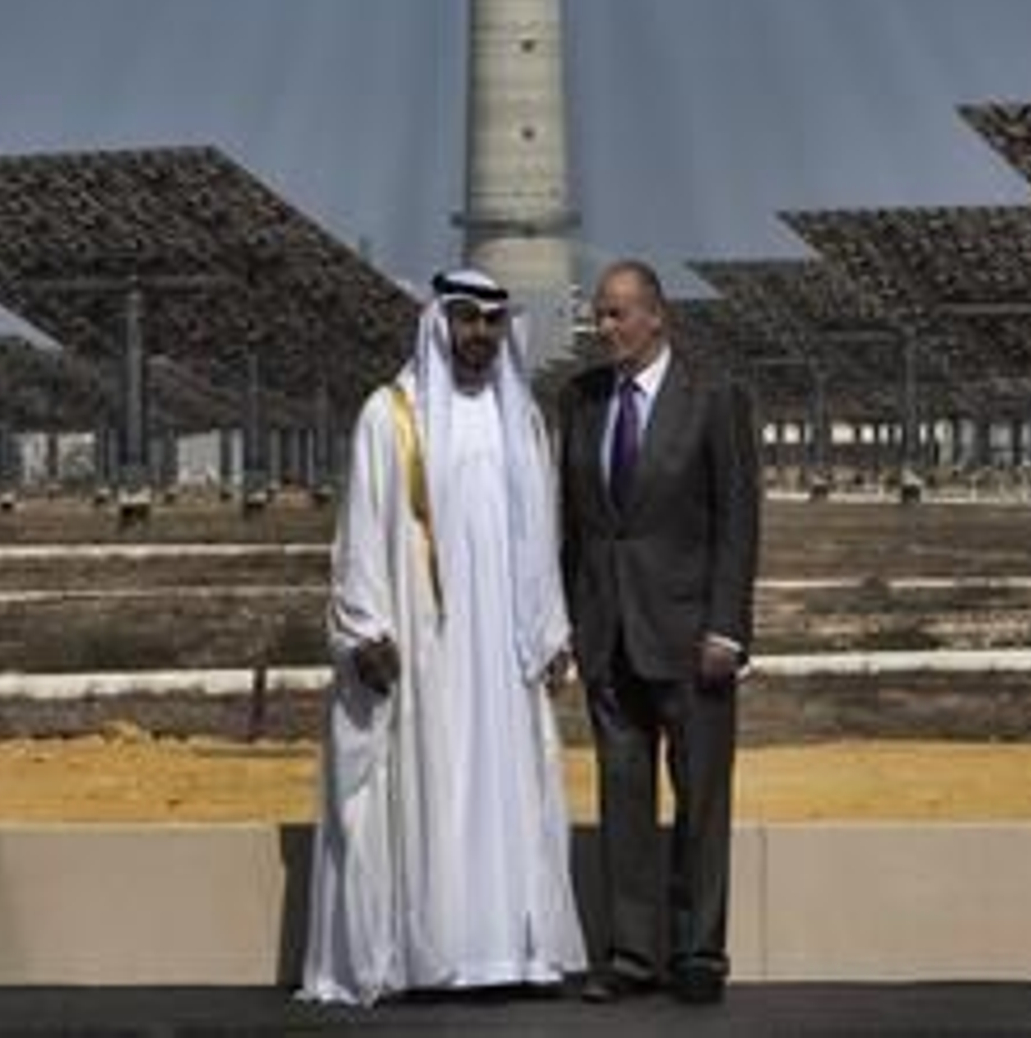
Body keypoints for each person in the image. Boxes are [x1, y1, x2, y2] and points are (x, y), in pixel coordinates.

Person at [300, 267, 587, 1004]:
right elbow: (361, 530)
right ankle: (432, 953)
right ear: (439, 324)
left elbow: (539, 538)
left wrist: (552, 633)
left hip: (503, 654)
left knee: (503, 781)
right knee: (430, 778)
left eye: (493, 323)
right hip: (424, 650)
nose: (480, 337)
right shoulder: (389, 415)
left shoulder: (521, 420)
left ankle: (507, 952)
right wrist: (365, 629)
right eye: (467, 321)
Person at [559, 258, 761, 1006]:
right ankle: (631, 954)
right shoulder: (578, 401)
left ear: (655, 316)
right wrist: (576, 623)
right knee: (623, 797)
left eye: (616, 314)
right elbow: (573, 526)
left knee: (702, 797)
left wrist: (727, 628)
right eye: (599, 316)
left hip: (690, 635)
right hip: (609, 637)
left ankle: (700, 952)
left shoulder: (713, 398)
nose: (603, 328)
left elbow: (738, 520)